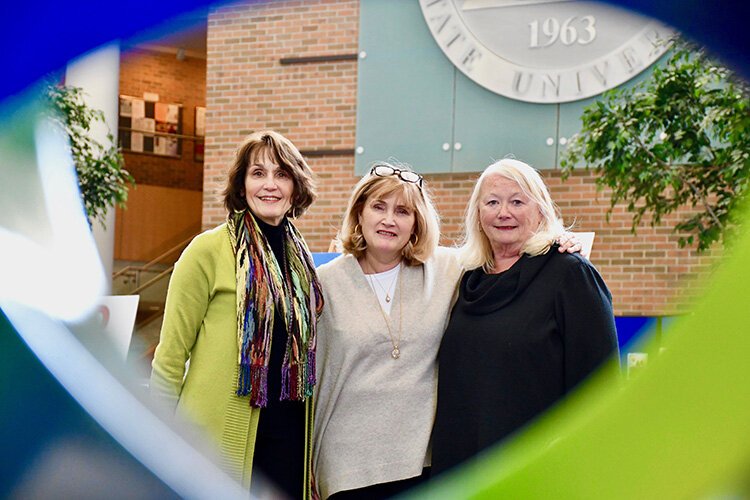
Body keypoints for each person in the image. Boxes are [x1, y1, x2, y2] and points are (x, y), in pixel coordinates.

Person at [312, 162, 582, 499]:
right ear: (359, 214)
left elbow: (511, 251)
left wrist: (559, 239)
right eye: (378, 207)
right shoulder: (321, 283)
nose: (389, 220)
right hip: (344, 468)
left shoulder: (450, 270)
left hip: (421, 466)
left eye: (403, 211)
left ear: (416, 223)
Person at [149, 130, 324, 498]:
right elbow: (169, 358)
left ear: (295, 186)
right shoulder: (207, 251)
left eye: (281, 174)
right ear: (241, 185)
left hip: (290, 435)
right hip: (215, 438)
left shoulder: (304, 264)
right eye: (258, 173)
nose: (270, 185)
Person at [430, 158, 619, 476]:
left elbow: (601, 384)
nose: (504, 212)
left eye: (517, 201)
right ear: (478, 214)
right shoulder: (465, 279)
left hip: (535, 470)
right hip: (461, 471)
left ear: (541, 210)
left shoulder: (570, 275)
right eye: (492, 202)